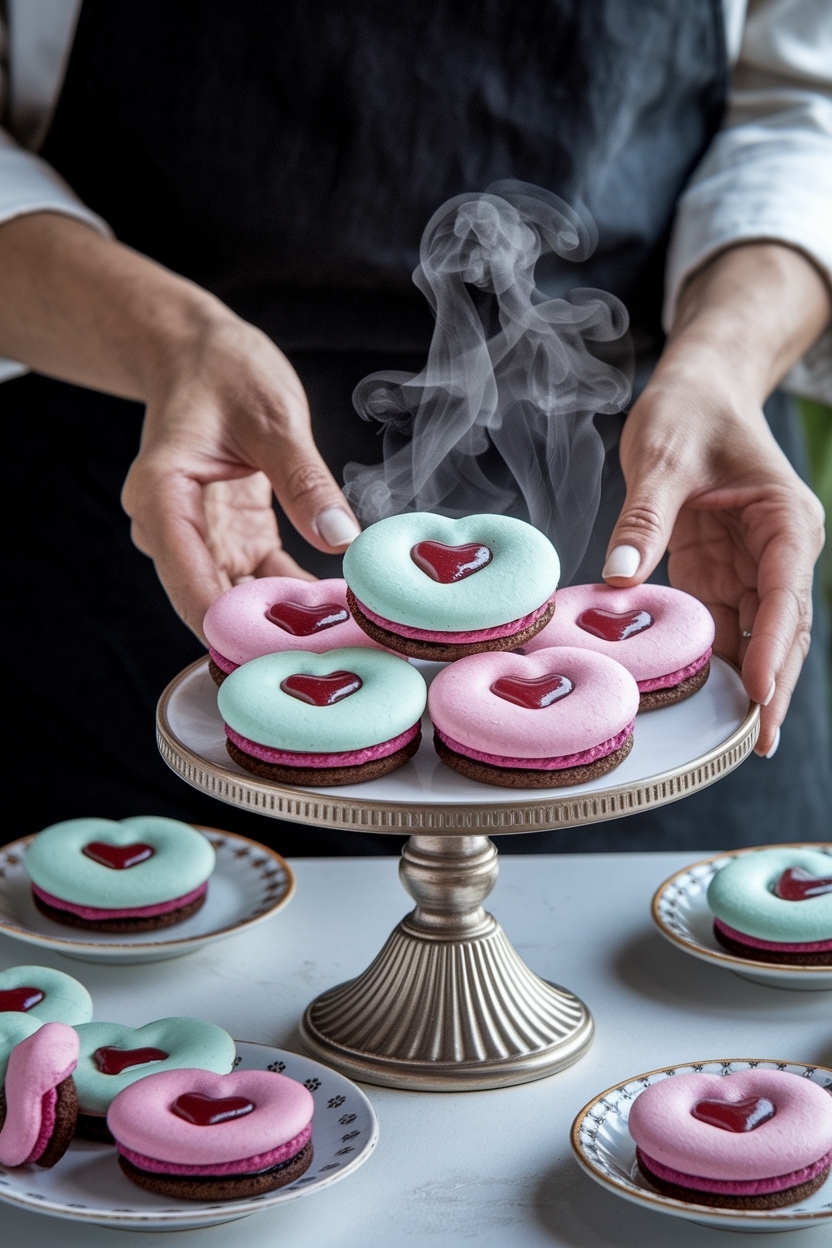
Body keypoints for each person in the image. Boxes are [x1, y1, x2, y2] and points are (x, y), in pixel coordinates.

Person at [1, 0, 830, 853]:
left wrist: (726, 359)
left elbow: (807, 105)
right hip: (144, 493)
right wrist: (170, 341)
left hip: (674, 484)